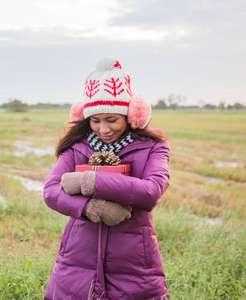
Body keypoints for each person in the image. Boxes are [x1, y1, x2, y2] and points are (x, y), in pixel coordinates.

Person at [43, 57, 170, 300]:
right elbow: (51, 191)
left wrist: (89, 181)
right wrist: (89, 207)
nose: (103, 129)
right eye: (95, 120)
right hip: (79, 255)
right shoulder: (77, 147)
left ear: (131, 115)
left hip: (134, 259)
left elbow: (152, 191)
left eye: (111, 120)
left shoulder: (153, 146)